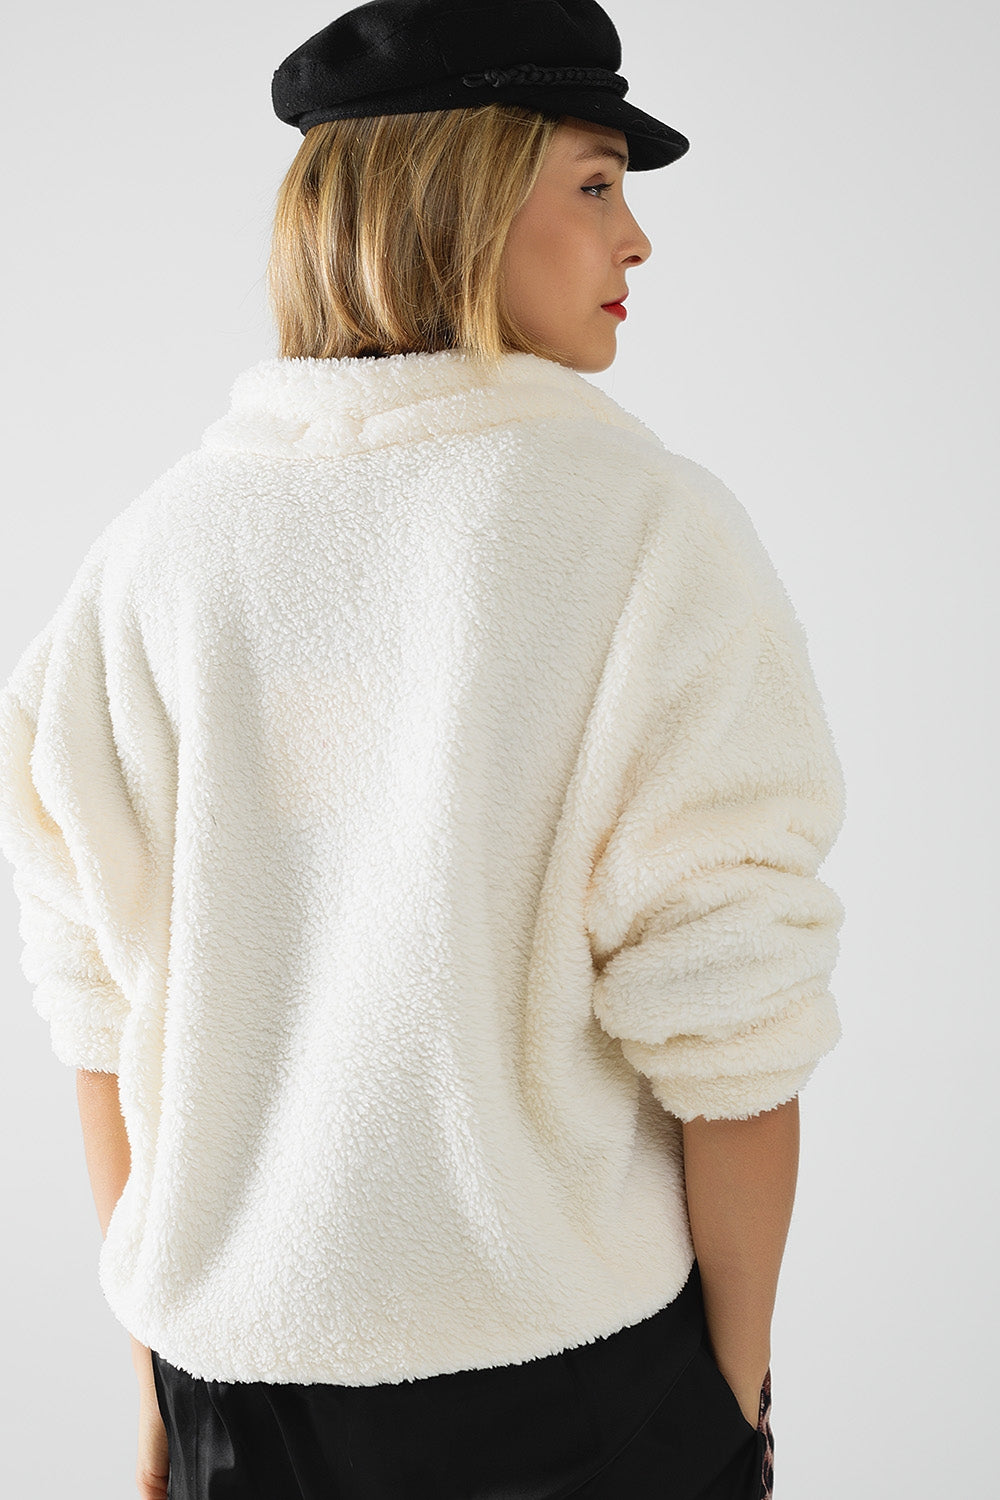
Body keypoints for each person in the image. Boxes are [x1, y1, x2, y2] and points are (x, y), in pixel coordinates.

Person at [0, 1, 847, 1496]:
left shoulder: (150, 559)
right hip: (568, 1391)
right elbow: (734, 1022)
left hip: (233, 1396)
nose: (638, 238)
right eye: (596, 184)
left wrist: (157, 1394)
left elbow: (104, 1020)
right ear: (459, 198)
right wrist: (732, 1395)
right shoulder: (647, 534)